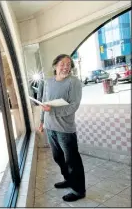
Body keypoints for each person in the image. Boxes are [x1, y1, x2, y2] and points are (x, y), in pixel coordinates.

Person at [39, 54, 85, 202]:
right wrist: (42, 121)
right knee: (57, 157)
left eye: (68, 64)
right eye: (62, 64)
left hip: (65, 129)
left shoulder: (74, 82)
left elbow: (73, 106)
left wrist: (52, 111)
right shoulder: (48, 82)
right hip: (50, 127)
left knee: (72, 160)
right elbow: (44, 103)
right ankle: (68, 180)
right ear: (55, 66)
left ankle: (79, 190)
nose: (66, 67)